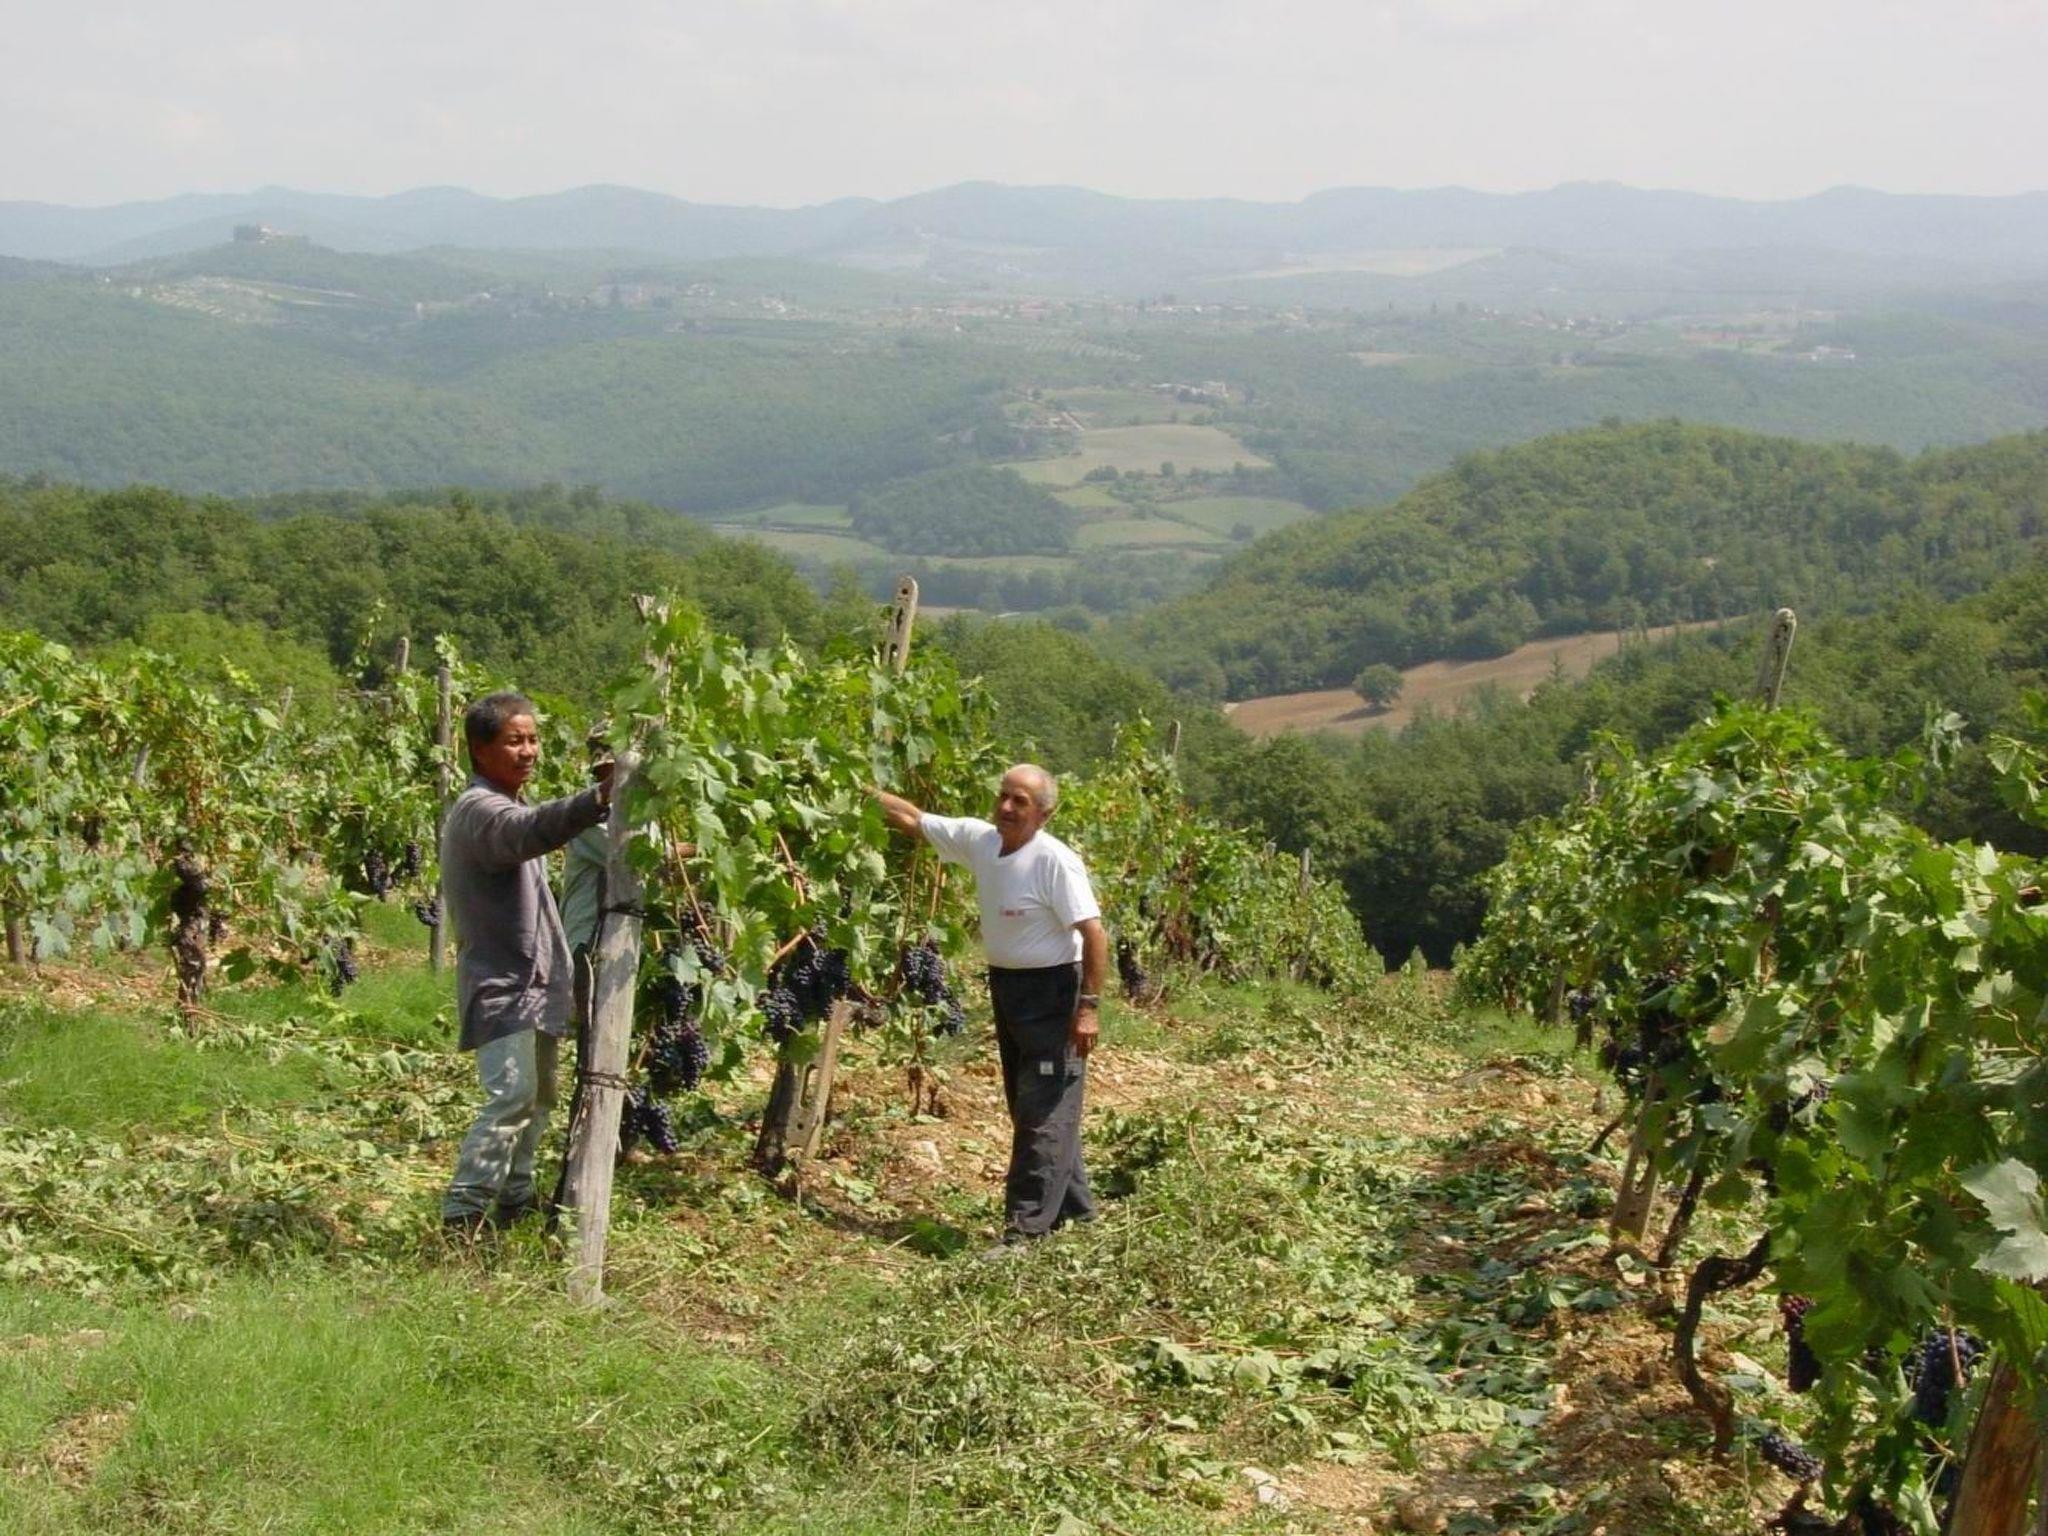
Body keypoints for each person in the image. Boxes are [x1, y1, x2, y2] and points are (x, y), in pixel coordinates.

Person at [873, 764, 1108, 1241]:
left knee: (1044, 1113)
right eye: (1003, 796)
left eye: (1020, 801)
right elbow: (913, 820)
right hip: (1009, 989)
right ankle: (1078, 1217)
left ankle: (1025, 1232)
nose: (1006, 807)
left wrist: (1088, 1007)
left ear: (1044, 814)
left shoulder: (1054, 861)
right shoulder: (981, 841)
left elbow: (1094, 934)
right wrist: (855, 789)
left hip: (1054, 994)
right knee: (1033, 1105)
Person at [440, 691, 610, 1234]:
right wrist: (596, 800)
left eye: (533, 739)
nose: (529, 751)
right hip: (503, 982)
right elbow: (527, 832)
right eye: (515, 741)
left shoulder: (504, 803)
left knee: (538, 1100)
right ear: (479, 748)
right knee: (511, 1097)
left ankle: (515, 1202)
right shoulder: (480, 811)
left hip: (534, 983)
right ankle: (463, 1218)